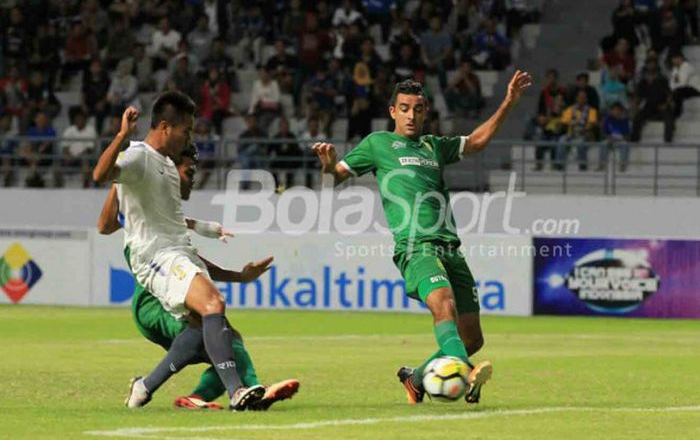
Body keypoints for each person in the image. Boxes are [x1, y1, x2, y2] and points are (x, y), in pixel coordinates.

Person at [312, 70, 532, 404]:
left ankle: (416, 379)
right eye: (404, 108)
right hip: (415, 247)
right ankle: (465, 370)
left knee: (471, 338)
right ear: (393, 112)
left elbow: (475, 142)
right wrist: (328, 165)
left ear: (426, 112)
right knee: (444, 306)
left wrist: (508, 102)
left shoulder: (434, 146)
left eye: (417, 109)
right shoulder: (377, 144)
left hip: (450, 248)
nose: (411, 115)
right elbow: (335, 178)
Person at [92, 93, 266, 411]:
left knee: (211, 327)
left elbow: (177, 232)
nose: (189, 137)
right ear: (164, 126)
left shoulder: (167, 168)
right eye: (185, 130)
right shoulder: (138, 156)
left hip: (176, 253)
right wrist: (121, 136)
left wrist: (238, 275)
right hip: (153, 257)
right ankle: (237, 391)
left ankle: (144, 387)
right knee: (214, 304)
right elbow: (100, 176)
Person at [555, 90, 599, 171]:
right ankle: (559, 165)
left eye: (583, 97)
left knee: (580, 142)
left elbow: (591, 124)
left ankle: (583, 166)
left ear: (586, 99)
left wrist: (581, 128)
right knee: (561, 140)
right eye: (580, 97)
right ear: (576, 98)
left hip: (585, 134)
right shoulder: (570, 109)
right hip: (571, 134)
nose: (581, 99)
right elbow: (564, 122)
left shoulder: (591, 110)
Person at [598, 102, 631, 172]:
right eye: (615, 110)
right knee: (603, 144)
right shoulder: (607, 119)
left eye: (618, 110)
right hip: (610, 139)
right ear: (611, 111)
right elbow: (603, 132)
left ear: (622, 111)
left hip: (621, 139)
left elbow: (627, 134)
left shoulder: (625, 120)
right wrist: (608, 137)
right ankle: (601, 165)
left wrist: (621, 138)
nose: (616, 112)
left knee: (625, 145)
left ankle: (623, 165)